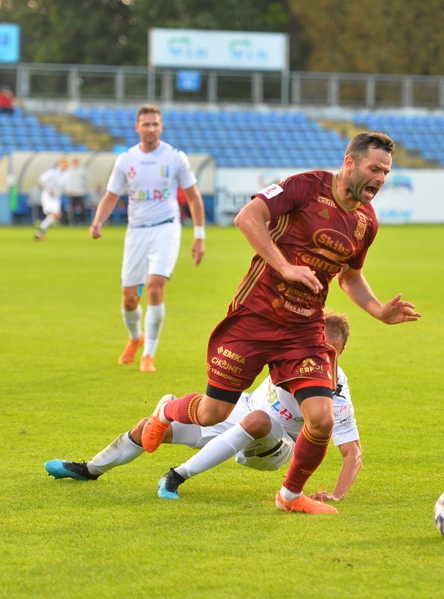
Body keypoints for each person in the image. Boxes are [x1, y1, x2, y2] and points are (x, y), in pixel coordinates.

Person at [139, 131, 420, 515]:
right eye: (374, 168)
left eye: (386, 172)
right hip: (255, 316)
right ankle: (167, 410)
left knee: (320, 419)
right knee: (212, 413)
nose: (380, 178)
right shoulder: (304, 187)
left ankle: (289, 497)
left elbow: (350, 277)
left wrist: (378, 311)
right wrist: (285, 265)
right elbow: (248, 217)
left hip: (303, 331)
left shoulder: (366, 222)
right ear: (350, 162)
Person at [45, 313, 361, 503]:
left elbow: (352, 452)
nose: (321, 355)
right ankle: (89, 470)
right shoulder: (288, 355)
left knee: (259, 420)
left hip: (278, 447)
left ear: (342, 352)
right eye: (317, 345)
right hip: (242, 412)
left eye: (331, 350)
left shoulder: (336, 393)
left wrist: (337, 493)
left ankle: (176, 476)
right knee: (149, 428)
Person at [90, 104, 206, 373]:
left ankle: (149, 354)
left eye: (155, 124)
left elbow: (193, 197)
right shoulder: (126, 160)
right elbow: (111, 196)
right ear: (137, 127)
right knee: (129, 297)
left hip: (166, 227)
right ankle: (135, 338)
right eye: (146, 124)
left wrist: (199, 236)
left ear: (161, 127)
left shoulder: (175, 158)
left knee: (155, 286)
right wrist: (97, 221)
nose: (151, 128)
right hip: (136, 231)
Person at [34, 157, 69, 240]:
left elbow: (64, 187)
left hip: (56, 197)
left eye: (67, 164)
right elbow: (41, 180)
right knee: (54, 215)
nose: (66, 166)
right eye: (64, 164)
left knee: (56, 215)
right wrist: (48, 189)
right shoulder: (52, 172)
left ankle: (39, 233)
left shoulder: (65, 175)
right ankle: (39, 233)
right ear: (60, 164)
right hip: (48, 196)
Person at [65, 157, 92, 225]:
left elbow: (88, 179)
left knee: (82, 208)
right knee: (72, 208)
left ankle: (81, 221)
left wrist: (85, 187)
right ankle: (72, 222)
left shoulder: (83, 170)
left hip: (81, 192)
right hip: (72, 193)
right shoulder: (68, 171)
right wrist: (69, 190)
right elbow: (67, 182)